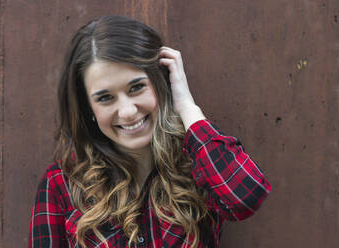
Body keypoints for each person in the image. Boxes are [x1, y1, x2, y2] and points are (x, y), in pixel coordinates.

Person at [29, 15, 271, 248]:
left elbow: (245, 198)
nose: (126, 111)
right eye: (105, 98)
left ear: (159, 82)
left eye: (136, 87)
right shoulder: (62, 184)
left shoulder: (198, 165)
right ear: (88, 107)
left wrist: (186, 105)